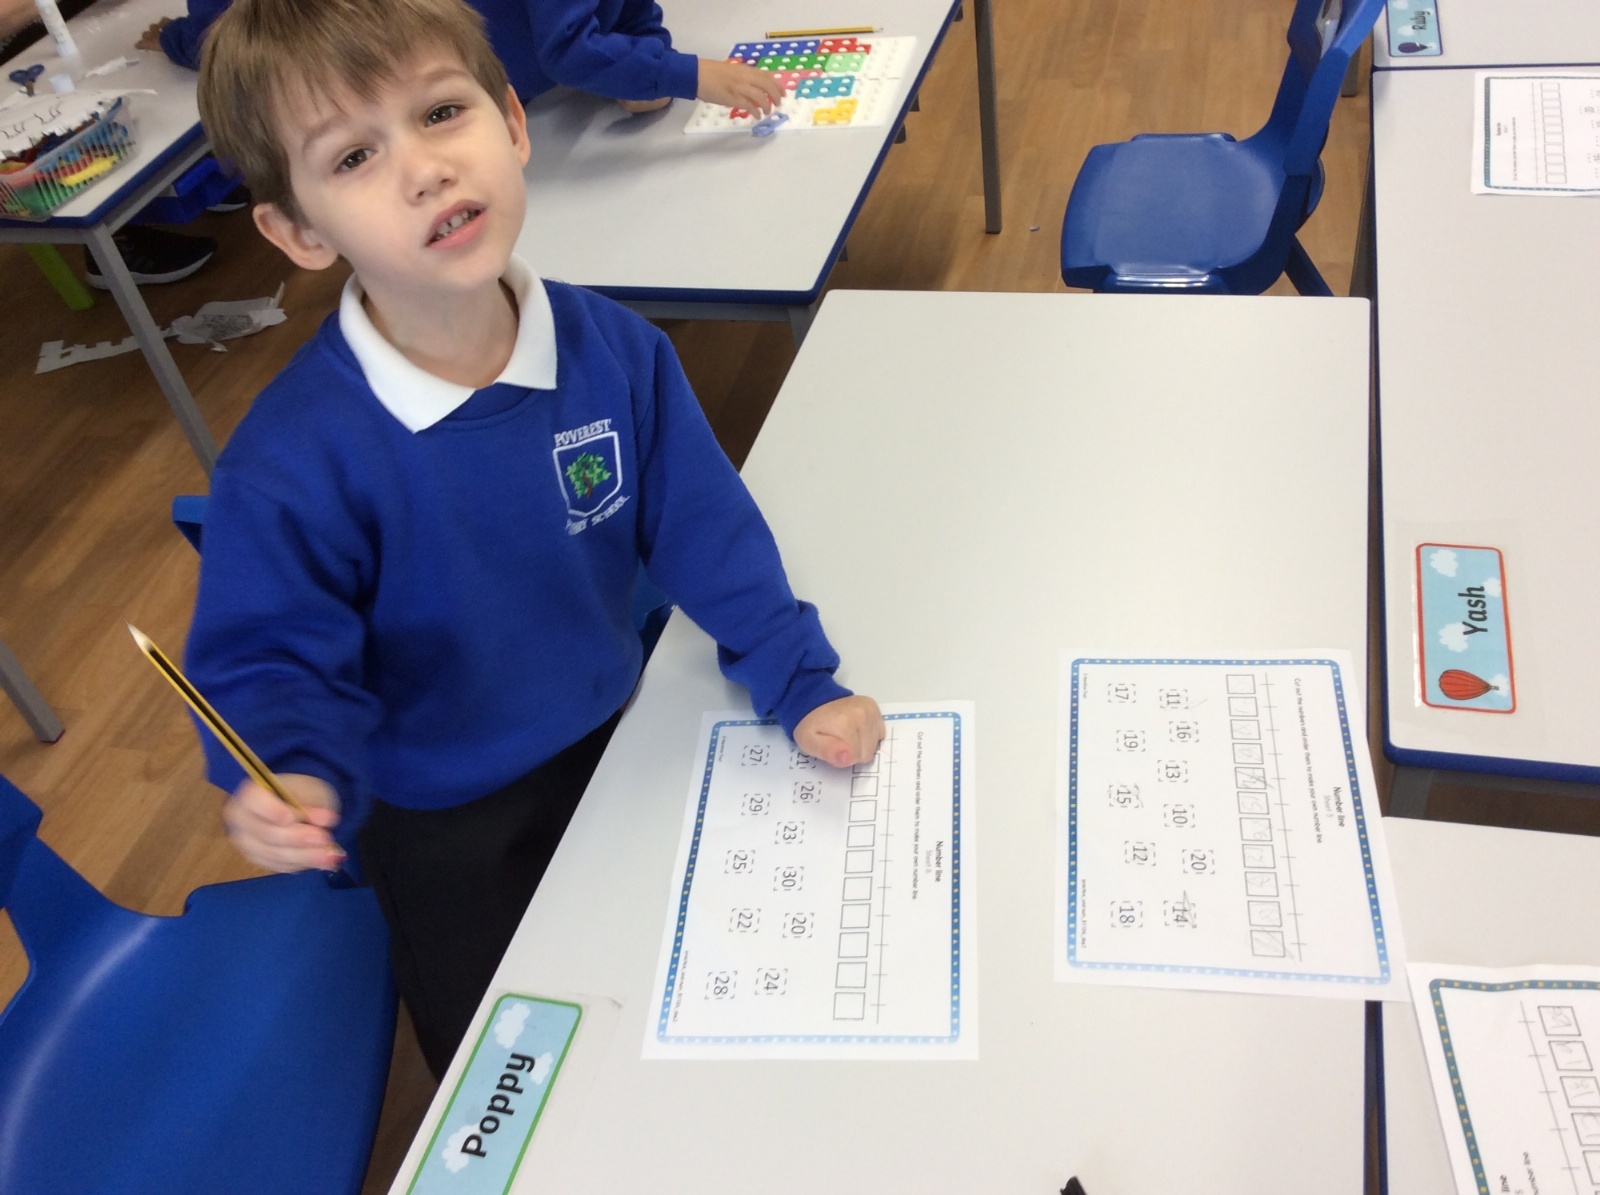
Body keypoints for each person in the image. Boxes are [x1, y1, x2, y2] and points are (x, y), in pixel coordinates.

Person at [185, 0, 883, 1078]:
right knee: (507, 1057)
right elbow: (268, 656)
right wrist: (289, 767)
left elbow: (708, 531)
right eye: (356, 156)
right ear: (300, 233)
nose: (424, 169)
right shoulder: (290, 465)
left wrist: (799, 678)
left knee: (656, 986)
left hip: (616, 740)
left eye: (441, 112)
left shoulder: (618, 351)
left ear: (512, 122)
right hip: (443, 820)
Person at [139, 0, 782, 114]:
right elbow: (567, 49)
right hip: (471, 88)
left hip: (534, 91)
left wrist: (648, 56)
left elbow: (627, 6)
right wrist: (689, 73)